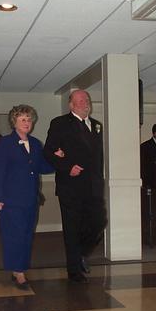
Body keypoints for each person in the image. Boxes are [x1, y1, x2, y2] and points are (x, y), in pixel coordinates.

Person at [44, 90, 107, 283]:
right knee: (72, 229)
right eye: (80, 100)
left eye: (86, 100)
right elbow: (48, 152)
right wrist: (67, 166)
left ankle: (80, 254)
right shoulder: (60, 123)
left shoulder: (96, 125)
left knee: (99, 222)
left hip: (93, 187)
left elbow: (98, 157)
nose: (85, 103)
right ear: (71, 105)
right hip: (70, 186)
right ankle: (74, 271)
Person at [0, 105, 55, 290]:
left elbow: (42, 167)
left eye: (29, 119)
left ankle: (18, 268)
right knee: (14, 236)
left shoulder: (35, 143)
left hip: (31, 198)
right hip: (11, 200)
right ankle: (19, 272)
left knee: (27, 235)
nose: (27, 123)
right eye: (23, 119)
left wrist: (57, 159)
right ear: (14, 122)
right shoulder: (5, 143)